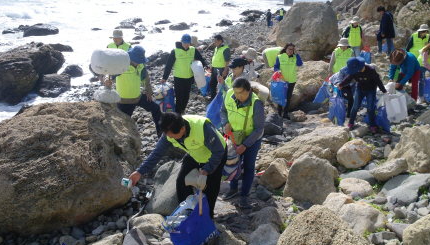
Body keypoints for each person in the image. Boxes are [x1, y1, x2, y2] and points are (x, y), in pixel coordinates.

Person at [128, 112, 227, 219]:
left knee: (209, 188)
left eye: (172, 136)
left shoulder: (202, 127)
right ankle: (187, 212)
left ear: (182, 129)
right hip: (194, 154)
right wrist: (139, 172)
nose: (169, 138)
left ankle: (207, 218)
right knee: (181, 181)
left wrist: (206, 170)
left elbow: (218, 151)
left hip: (216, 154)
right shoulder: (169, 133)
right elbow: (157, 153)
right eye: (167, 135)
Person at [220, 78, 265, 208]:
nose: (239, 96)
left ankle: (244, 195)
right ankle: (233, 188)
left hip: (252, 139)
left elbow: (259, 128)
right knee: (233, 162)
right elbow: (222, 111)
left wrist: (245, 145)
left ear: (249, 90)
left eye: (242, 93)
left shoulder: (256, 103)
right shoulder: (229, 94)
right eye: (236, 93)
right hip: (233, 136)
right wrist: (225, 123)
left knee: (249, 166)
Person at [104, 46, 162, 135]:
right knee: (122, 124)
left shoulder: (141, 65)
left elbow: (145, 78)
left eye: (140, 60)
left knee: (156, 108)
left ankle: (160, 132)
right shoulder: (122, 65)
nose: (138, 63)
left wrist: (148, 91)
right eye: (137, 60)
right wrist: (106, 81)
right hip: (124, 101)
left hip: (138, 97)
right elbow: (109, 74)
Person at [162, 34, 209, 114]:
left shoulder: (193, 50)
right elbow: (168, 65)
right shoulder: (175, 51)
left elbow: (201, 59)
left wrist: (205, 65)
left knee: (186, 96)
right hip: (179, 78)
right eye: (185, 43)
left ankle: (182, 110)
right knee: (179, 97)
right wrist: (164, 77)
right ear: (181, 42)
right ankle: (177, 113)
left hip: (189, 78)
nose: (187, 45)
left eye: (188, 43)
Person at [337, 57, 387, 134]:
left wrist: (384, 91)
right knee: (355, 107)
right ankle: (351, 123)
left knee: (370, 108)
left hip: (371, 90)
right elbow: (348, 79)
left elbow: (378, 81)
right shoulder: (354, 71)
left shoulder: (371, 70)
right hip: (359, 89)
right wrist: (341, 84)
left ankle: (372, 126)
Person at [274, 43, 303, 119]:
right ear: (285, 49)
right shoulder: (280, 57)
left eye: (292, 49)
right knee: (281, 97)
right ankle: (279, 113)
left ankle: (285, 114)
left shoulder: (294, 57)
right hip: (282, 80)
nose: (291, 51)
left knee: (288, 97)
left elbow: (300, 64)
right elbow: (275, 67)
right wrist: (278, 71)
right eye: (289, 49)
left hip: (291, 81)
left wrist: (296, 54)